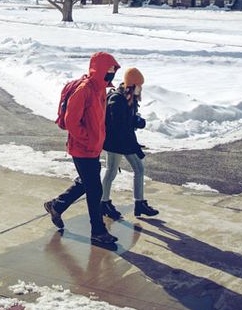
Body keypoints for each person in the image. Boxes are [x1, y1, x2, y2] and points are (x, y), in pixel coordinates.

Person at [44, 51, 121, 247]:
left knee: (86, 182)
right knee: (95, 189)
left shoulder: (100, 89)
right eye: (110, 68)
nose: (112, 72)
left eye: (114, 69)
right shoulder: (85, 89)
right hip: (82, 148)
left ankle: (57, 205)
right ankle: (98, 231)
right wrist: (87, 139)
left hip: (93, 147)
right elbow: (71, 121)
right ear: (100, 69)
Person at [99, 68, 158, 220]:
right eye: (139, 85)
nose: (141, 88)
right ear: (132, 85)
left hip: (125, 141)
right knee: (112, 171)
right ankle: (103, 203)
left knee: (137, 169)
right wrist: (134, 122)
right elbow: (117, 124)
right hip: (116, 143)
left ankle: (139, 203)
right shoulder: (117, 99)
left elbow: (126, 124)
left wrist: (135, 122)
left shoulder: (129, 98)